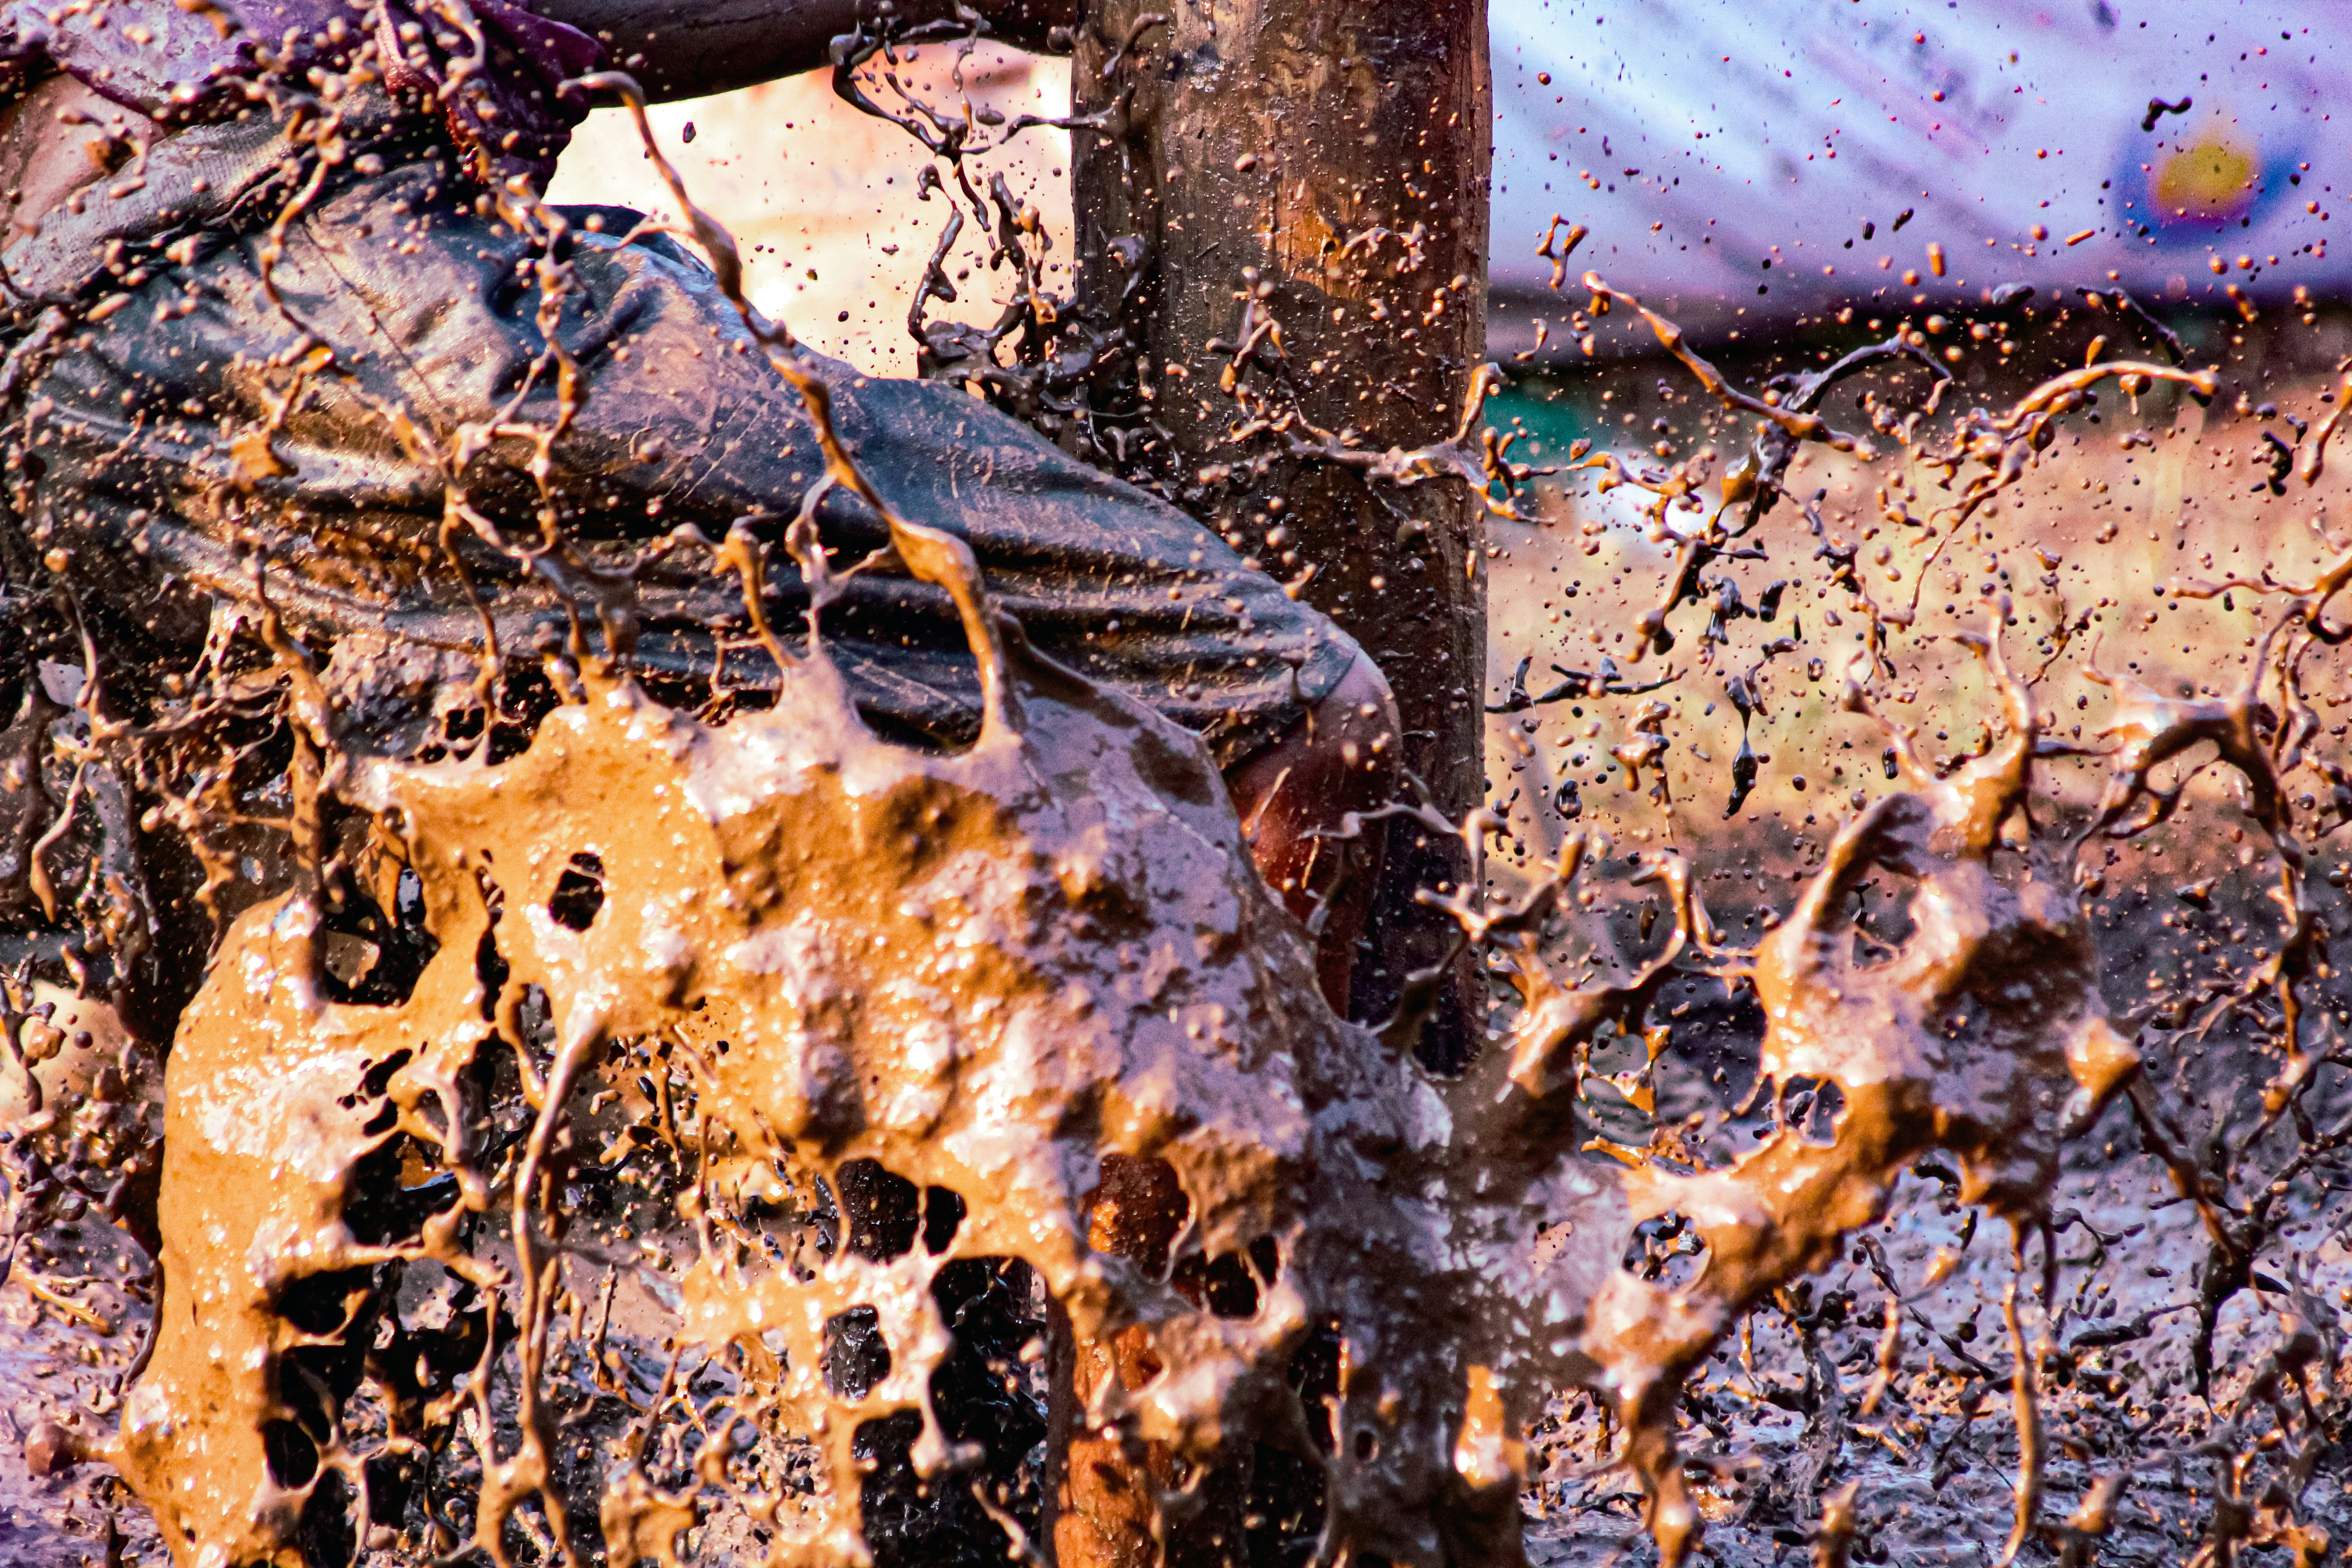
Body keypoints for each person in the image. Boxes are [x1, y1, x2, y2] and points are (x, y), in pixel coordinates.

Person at [0, 0, 1397, 1020]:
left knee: (250, 999)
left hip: (50, 361)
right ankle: (1182, 1406)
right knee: (1293, 706)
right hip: (353, 289)